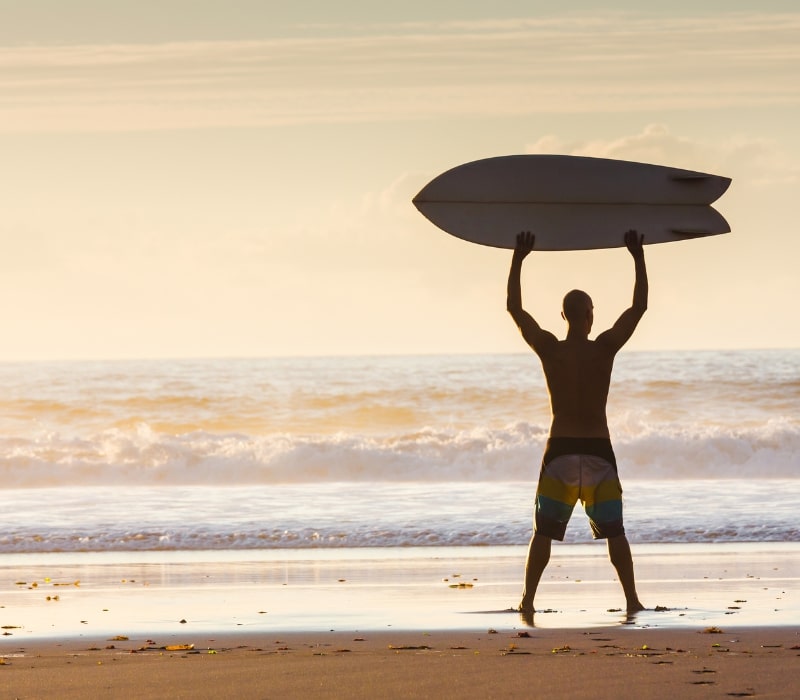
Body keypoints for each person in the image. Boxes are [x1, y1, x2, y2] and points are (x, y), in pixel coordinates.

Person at [506, 229, 647, 616]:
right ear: (590, 316)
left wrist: (519, 258)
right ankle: (631, 600)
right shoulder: (604, 348)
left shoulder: (550, 349)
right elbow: (638, 309)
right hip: (599, 450)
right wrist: (637, 255)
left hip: (561, 450)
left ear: (564, 316)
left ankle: (527, 600)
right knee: (615, 532)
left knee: (543, 532)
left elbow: (515, 311)